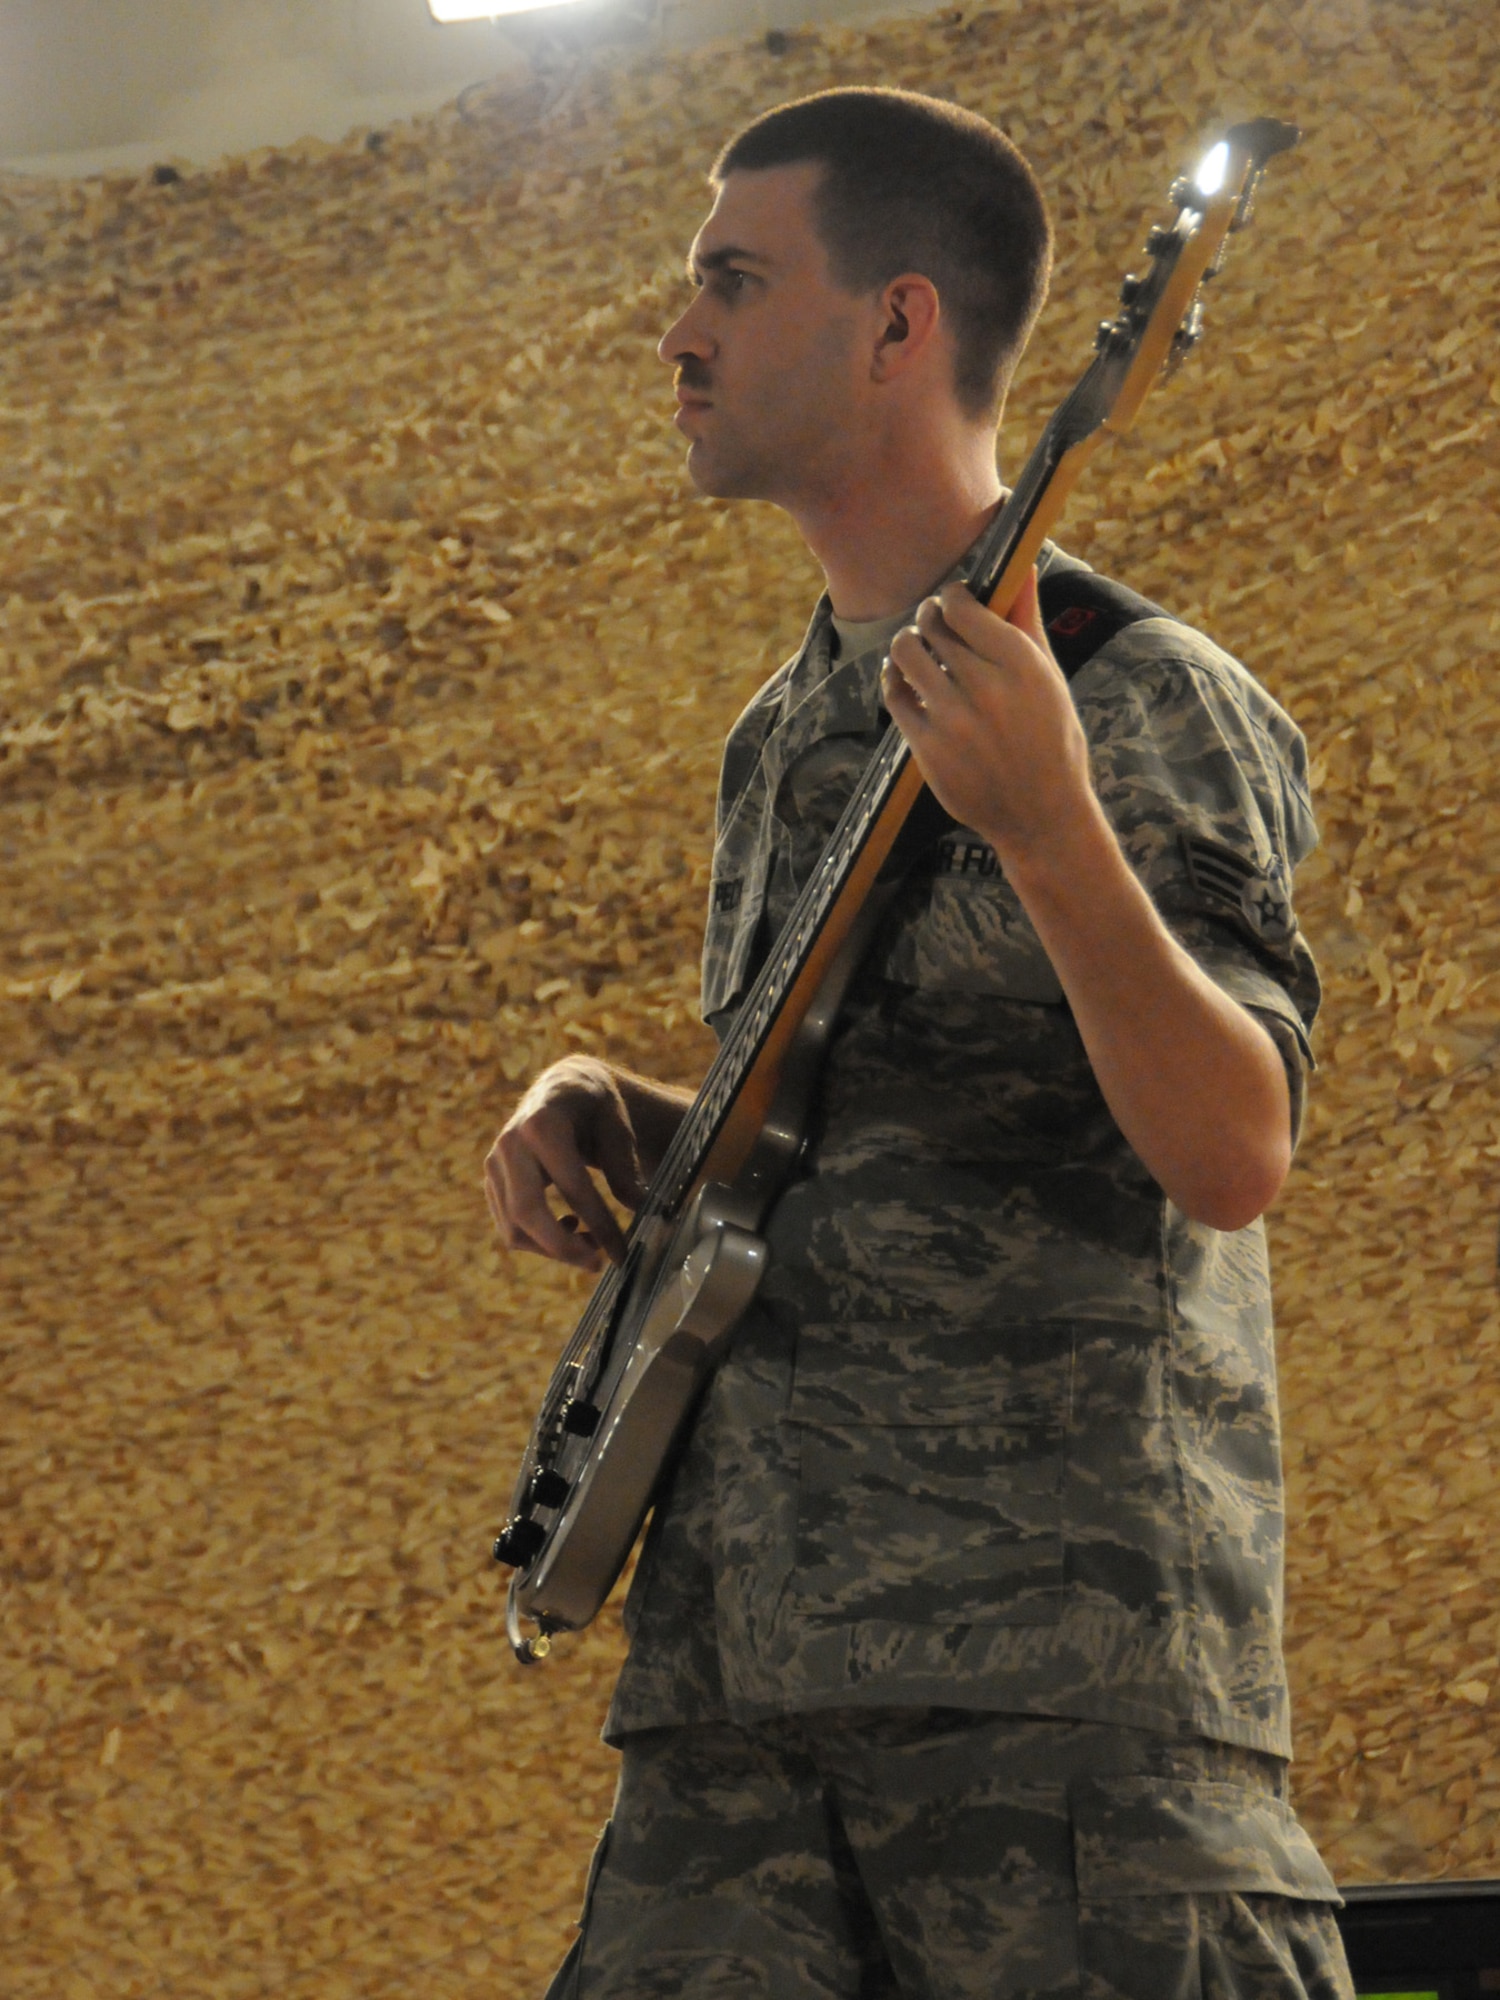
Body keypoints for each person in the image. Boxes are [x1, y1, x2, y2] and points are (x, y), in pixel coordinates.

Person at [485, 88, 1354, 2000]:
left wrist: (1049, 827)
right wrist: (611, 1103)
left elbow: (1234, 1149)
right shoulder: (776, 735)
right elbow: (854, 1121)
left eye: (732, 278)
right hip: (730, 1716)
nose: (678, 333)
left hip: (1060, 1717)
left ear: (897, 324)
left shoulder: (1144, 697)